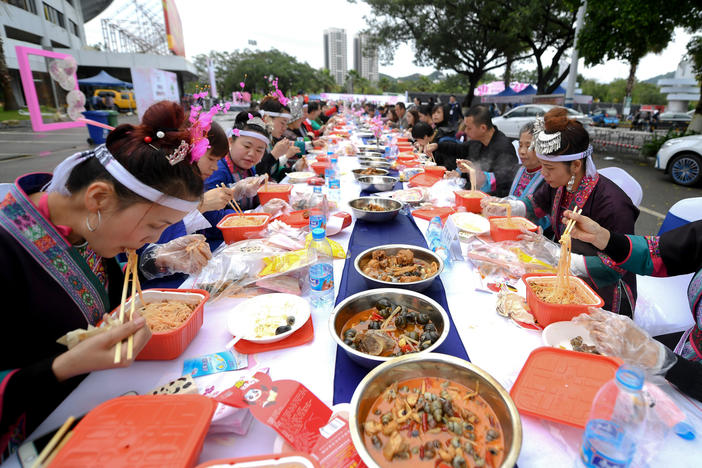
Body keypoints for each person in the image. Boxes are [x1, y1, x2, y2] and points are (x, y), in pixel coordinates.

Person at [0, 100, 205, 457]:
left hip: (104, 406)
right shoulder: (6, 249)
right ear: (98, 198)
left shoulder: (86, 226)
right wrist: (65, 366)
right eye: (154, 226)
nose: (154, 239)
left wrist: (157, 260)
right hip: (42, 438)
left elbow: (104, 286)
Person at [484, 107, 639, 314]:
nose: (543, 174)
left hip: (605, 295)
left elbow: (614, 267)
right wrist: (504, 207)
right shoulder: (559, 183)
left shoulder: (613, 204)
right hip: (565, 276)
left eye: (549, 168)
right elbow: (533, 206)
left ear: (575, 165)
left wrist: (555, 253)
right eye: (543, 166)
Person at [562, 211, 702, 401]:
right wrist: (603, 237)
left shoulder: (612, 202)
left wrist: (659, 358)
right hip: (689, 347)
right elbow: (658, 252)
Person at [203, 113, 272, 241]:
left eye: (259, 150)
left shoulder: (249, 167)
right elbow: (210, 218)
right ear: (231, 141)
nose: (252, 154)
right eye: (246, 146)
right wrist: (251, 216)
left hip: (245, 235)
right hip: (221, 241)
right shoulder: (216, 170)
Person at [426, 105, 518, 193]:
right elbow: (459, 148)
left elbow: (503, 184)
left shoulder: (504, 148)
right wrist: (437, 146)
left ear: (483, 128)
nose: (465, 131)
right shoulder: (479, 140)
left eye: (469, 128)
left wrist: (468, 179)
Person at [481, 122, 549, 229]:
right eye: (520, 145)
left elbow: (546, 217)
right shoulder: (518, 169)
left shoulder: (549, 179)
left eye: (529, 146)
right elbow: (498, 179)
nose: (522, 151)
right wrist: (474, 173)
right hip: (507, 226)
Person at [257, 97, 301, 182]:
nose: (285, 128)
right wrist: (274, 155)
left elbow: (274, 172)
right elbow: (258, 176)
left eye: (286, 124)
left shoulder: (271, 139)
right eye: (282, 123)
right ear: (266, 118)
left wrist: (295, 169)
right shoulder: (257, 141)